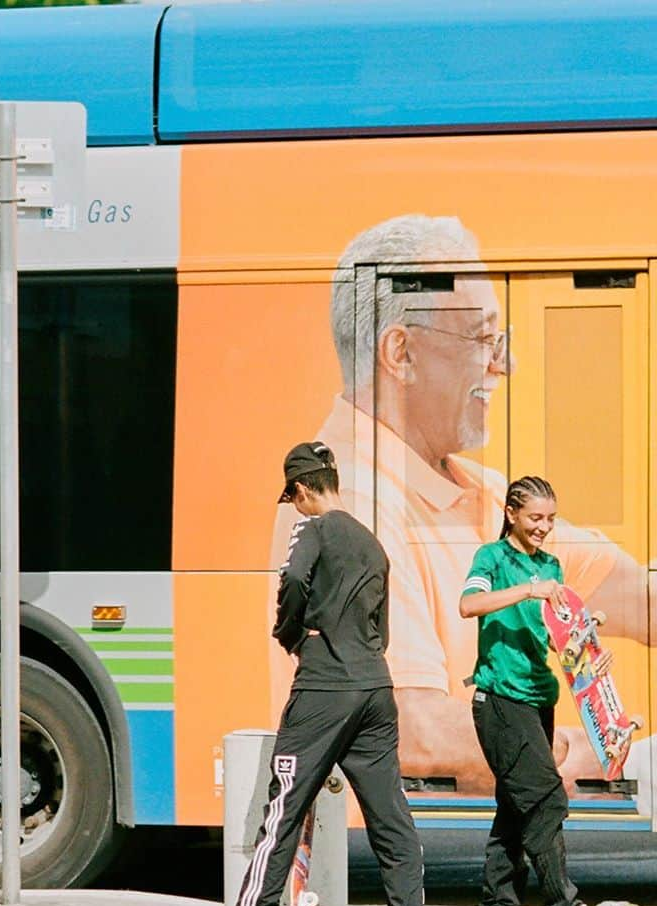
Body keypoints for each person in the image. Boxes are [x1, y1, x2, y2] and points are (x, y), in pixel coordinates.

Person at [270, 213, 647, 796]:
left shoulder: (476, 488)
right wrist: (601, 754)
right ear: (401, 353)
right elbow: (413, 729)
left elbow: (629, 594)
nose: (505, 363)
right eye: (482, 338)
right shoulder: (353, 504)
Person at [197, 442, 430, 906]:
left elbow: (293, 581)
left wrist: (290, 633)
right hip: (375, 686)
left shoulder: (313, 528)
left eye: (294, 498)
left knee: (284, 801)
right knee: (387, 807)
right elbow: (381, 627)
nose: (295, 508)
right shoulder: (373, 543)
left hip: (324, 687)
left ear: (302, 489)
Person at [459, 475, 612, 906]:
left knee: (515, 807)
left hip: (538, 698)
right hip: (501, 700)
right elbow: (469, 604)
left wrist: (589, 641)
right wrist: (528, 590)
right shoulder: (492, 558)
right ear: (511, 514)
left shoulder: (551, 566)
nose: (544, 527)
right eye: (535, 518)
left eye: (550, 518)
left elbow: (558, 638)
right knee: (546, 798)